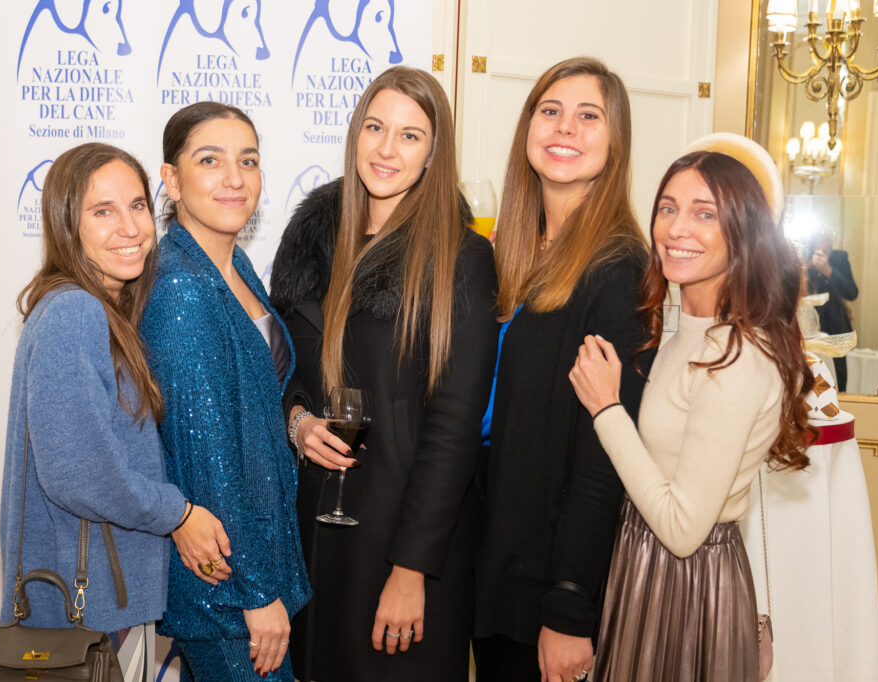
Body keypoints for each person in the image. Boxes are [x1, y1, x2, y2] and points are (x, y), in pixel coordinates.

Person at [269, 66, 498, 682]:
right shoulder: (313, 241)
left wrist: (411, 569)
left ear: (434, 154)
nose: (387, 149)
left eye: (410, 135)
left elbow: (455, 428)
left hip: (404, 537)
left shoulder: (460, 257)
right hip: (316, 527)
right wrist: (297, 421)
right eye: (375, 127)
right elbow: (286, 368)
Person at [569, 145, 815, 681]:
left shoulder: (737, 353)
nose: (677, 228)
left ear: (742, 233)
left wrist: (606, 408)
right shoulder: (686, 327)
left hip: (683, 586)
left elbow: (683, 529)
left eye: (705, 213)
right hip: (647, 568)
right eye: (667, 207)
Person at [0, 142, 226, 682]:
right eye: (103, 212)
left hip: (102, 598)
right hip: (87, 609)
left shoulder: (101, 309)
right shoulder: (75, 312)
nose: (130, 227)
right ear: (66, 225)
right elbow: (79, 472)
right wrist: (180, 514)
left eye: (138, 206)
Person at [472, 57, 651, 682]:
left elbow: (606, 452)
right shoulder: (515, 255)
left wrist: (570, 606)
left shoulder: (618, 269)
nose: (564, 128)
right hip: (498, 557)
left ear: (615, 139)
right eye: (550, 111)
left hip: (550, 584)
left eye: (588, 116)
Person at [140, 102, 311, 681]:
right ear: (171, 179)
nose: (234, 177)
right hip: (227, 592)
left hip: (254, 561)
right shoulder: (182, 289)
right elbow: (208, 460)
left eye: (249, 160)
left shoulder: (233, 262)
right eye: (210, 160)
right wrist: (256, 593)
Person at [804, 231, 858, 391]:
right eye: (817, 251)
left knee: (837, 381)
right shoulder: (803, 260)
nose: (821, 254)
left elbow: (852, 292)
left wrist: (828, 271)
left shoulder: (839, 259)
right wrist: (807, 268)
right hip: (808, 328)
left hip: (836, 329)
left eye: (825, 251)